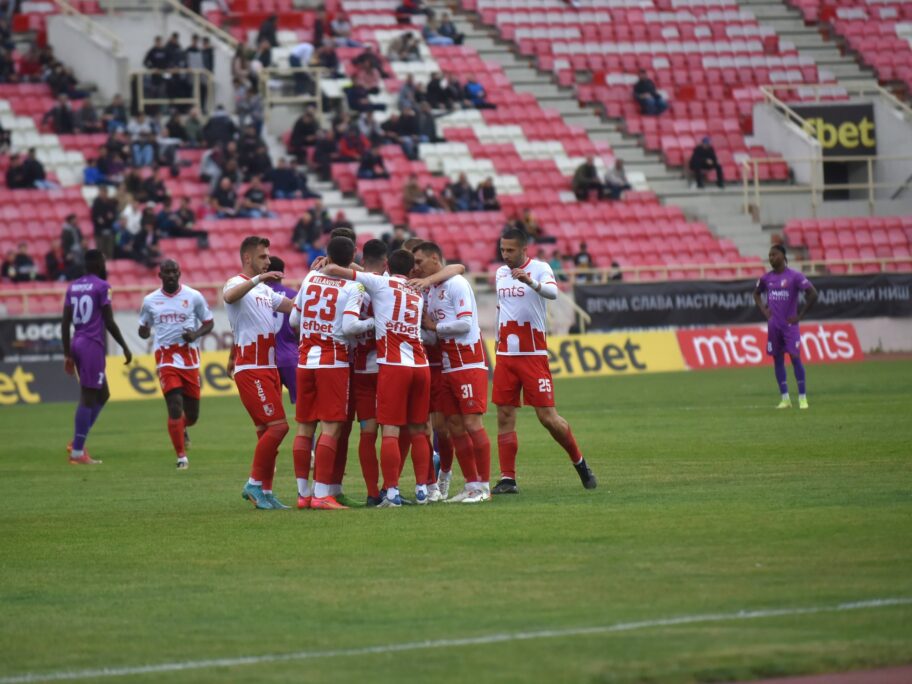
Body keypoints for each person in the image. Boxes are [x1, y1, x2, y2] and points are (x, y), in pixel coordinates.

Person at [321, 249, 433, 507]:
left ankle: (381, 492)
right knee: (416, 429)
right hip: (417, 363)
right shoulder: (416, 291)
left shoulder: (366, 287)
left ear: (386, 266)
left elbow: (337, 278)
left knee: (373, 432)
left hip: (377, 368)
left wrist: (333, 262)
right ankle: (420, 489)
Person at [491, 228, 597, 493]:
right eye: (502, 250)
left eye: (510, 250)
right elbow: (501, 307)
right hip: (505, 355)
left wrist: (530, 282)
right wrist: (497, 336)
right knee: (504, 415)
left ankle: (580, 463)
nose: (505, 255)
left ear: (523, 249)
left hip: (532, 354)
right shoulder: (500, 273)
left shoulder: (540, 268)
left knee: (547, 418)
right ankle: (508, 479)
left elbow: (553, 293)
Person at [288, 236, 370, 510]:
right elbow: (349, 327)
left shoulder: (310, 278)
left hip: (305, 361)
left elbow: (294, 320)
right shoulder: (354, 285)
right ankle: (322, 494)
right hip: (333, 362)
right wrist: (372, 322)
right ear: (353, 257)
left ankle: (303, 494)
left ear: (328, 255)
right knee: (331, 427)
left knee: (304, 427)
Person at [414, 242, 491, 503]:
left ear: (434, 258)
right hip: (448, 364)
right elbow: (433, 334)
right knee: (455, 425)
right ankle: (471, 485)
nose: (417, 267)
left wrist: (433, 326)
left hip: (468, 361)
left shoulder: (457, 284)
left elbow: (465, 323)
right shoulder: (432, 291)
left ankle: (484, 487)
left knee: (472, 424)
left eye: (420, 261)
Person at [223, 236, 296, 509]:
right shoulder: (236, 283)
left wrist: (317, 280)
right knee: (279, 427)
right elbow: (229, 297)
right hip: (251, 368)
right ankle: (253, 484)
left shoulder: (266, 292)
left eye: (268, 256)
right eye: (263, 256)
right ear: (247, 258)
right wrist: (257, 280)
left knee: (267, 433)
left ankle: (265, 492)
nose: (268, 261)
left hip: (269, 368)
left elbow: (293, 306)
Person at [138, 260, 214, 469]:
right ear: (160, 275)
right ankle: (181, 457)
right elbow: (143, 328)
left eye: (174, 272)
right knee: (174, 406)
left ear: (179, 273)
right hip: (165, 358)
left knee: (192, 416)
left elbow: (209, 323)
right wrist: (144, 331)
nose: (171, 275)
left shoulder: (193, 296)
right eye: (167, 272)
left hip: (189, 359)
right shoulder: (150, 301)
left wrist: (195, 334)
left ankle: (182, 427)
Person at [62, 250, 132, 465]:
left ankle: (78, 441)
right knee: (88, 396)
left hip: (77, 342)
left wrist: (67, 354)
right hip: (92, 344)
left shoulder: (73, 287)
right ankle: (77, 452)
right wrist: (125, 347)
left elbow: (64, 323)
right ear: (100, 264)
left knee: (103, 393)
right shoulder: (102, 286)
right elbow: (109, 321)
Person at [753, 244, 818, 409]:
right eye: (769, 255)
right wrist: (765, 311)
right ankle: (785, 399)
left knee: (795, 358)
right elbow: (756, 294)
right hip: (774, 326)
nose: (771, 258)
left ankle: (802, 398)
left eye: (774, 254)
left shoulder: (795, 276)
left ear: (783, 256)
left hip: (790, 327)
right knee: (778, 360)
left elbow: (813, 293)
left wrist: (800, 316)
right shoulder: (766, 278)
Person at [265, 256, 299, 405]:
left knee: (272, 408)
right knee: (304, 405)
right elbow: (299, 327)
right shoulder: (292, 296)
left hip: (266, 361)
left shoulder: (257, 295)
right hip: (290, 356)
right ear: (282, 274)